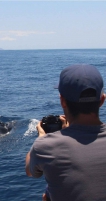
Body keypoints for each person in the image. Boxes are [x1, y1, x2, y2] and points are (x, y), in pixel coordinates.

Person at [25, 64, 106, 201]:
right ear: (102, 100)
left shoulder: (45, 146)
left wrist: (42, 137)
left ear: (62, 101)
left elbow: (29, 171)